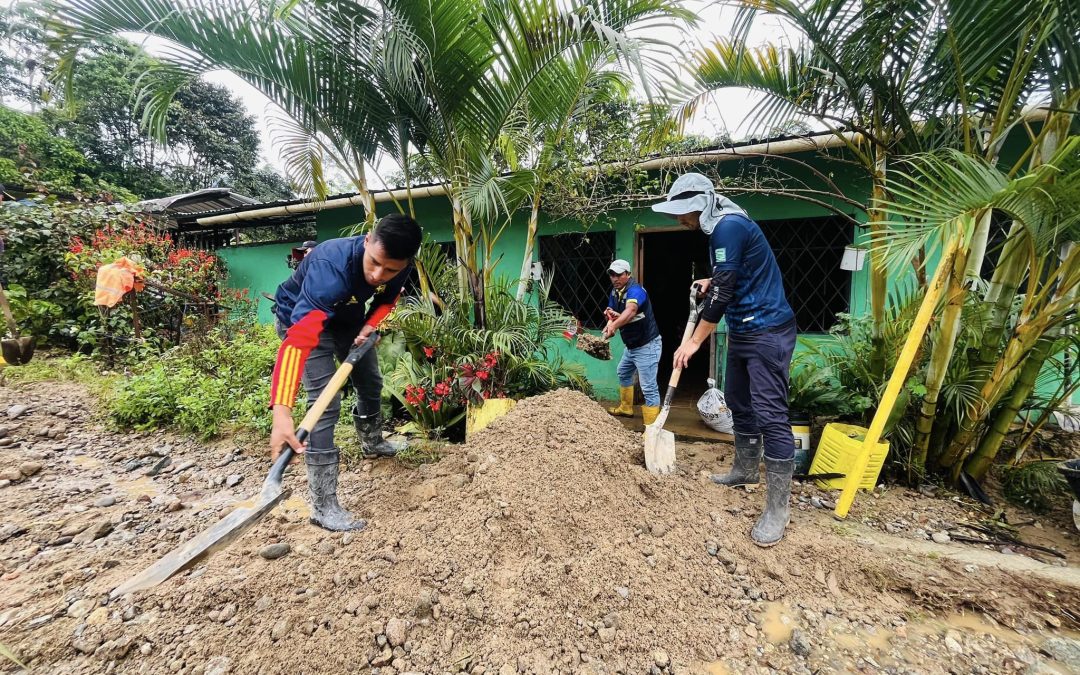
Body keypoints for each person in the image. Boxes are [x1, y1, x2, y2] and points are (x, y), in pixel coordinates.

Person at [652, 173, 797, 547]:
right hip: (745, 331)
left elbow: (725, 294)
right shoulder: (723, 224)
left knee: (770, 413)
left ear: (705, 203)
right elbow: (729, 278)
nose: (681, 220)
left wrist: (694, 343)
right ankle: (745, 470)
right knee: (737, 399)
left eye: (685, 213)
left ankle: (778, 509)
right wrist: (710, 280)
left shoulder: (727, 227)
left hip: (767, 331)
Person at [268, 214, 422, 531]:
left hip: (347, 321)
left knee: (370, 380)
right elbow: (299, 341)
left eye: (390, 269)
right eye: (375, 263)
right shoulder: (330, 268)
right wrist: (281, 413)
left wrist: (370, 323)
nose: (379, 274)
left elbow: (388, 298)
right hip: (302, 321)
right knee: (325, 401)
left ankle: (373, 442)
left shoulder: (399, 265)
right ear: (367, 241)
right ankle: (323, 506)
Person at [603, 259, 662, 426]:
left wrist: (614, 326)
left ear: (628, 275)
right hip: (632, 346)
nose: (615, 278)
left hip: (647, 345)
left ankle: (652, 428)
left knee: (648, 387)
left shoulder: (636, 291)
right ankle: (626, 408)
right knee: (623, 372)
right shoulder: (615, 292)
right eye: (612, 275)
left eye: (619, 275)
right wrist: (609, 321)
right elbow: (611, 312)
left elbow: (630, 311)